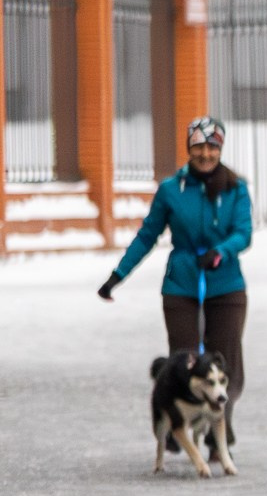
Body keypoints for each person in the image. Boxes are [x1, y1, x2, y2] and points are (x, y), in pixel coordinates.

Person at [102, 116, 254, 443]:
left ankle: (220, 426)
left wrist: (220, 251)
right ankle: (180, 421)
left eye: (212, 147)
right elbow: (147, 235)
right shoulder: (171, 190)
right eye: (198, 147)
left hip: (226, 283)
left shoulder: (236, 189)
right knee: (184, 360)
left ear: (220, 149)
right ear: (188, 148)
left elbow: (243, 233)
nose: (205, 154)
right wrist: (118, 275)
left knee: (226, 359)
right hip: (181, 283)